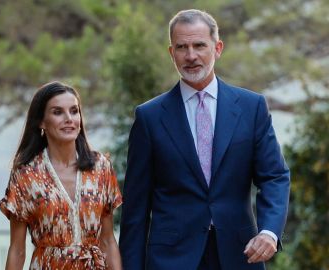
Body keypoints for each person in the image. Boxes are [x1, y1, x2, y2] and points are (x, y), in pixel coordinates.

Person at [119, 9, 290, 270]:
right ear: (171, 53)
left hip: (239, 254)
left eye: (199, 45)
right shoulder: (149, 117)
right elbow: (135, 208)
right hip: (170, 260)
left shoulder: (251, 107)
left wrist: (269, 232)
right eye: (182, 47)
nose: (191, 56)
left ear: (217, 48)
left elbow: (274, 176)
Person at [0, 81, 122, 270]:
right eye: (58, 112)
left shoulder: (101, 167)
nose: (69, 119)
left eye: (74, 111)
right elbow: (17, 250)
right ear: (41, 121)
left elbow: (107, 240)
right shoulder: (26, 175)